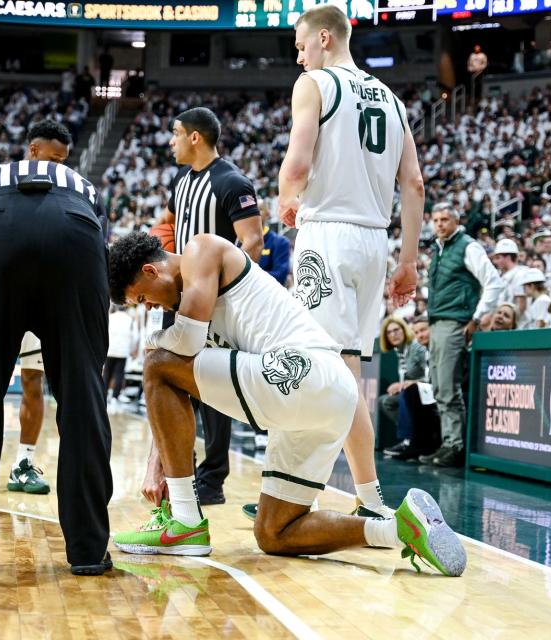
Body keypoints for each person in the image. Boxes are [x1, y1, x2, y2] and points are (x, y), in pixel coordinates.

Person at [108, 232, 466, 577]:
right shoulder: (192, 300)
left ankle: (185, 520)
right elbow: (181, 378)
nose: (150, 306)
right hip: (328, 396)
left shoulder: (201, 249)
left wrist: (152, 342)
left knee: (157, 365)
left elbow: (183, 343)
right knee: (275, 532)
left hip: (301, 370)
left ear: (150, 271)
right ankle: (399, 529)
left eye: (142, 298)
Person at [278, 4, 423, 516]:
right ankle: (361, 495)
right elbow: (415, 184)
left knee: (317, 367)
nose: (298, 58)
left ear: (323, 38)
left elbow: (297, 164)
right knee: (347, 371)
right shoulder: (391, 98)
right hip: (374, 243)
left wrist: (284, 198)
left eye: (299, 46)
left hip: (328, 235)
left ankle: (309, 492)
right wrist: (407, 260)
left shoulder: (315, 84)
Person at [0, 159, 113, 576]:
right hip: (77, 230)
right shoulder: (82, 184)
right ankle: (88, 548)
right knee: (83, 392)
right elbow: (97, 237)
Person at [0, 120, 79, 497]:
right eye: (53, 157)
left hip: (42, 290)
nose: (59, 166)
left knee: (33, 382)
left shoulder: (67, 186)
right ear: (33, 151)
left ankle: (23, 461)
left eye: (64, 160)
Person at [154, 106, 264, 505]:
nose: (171, 141)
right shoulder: (181, 182)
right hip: (178, 294)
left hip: (215, 300)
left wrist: (216, 288)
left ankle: (213, 479)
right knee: (177, 379)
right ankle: (181, 468)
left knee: (213, 387)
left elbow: (253, 242)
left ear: (195, 137)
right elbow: (166, 225)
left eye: (176, 133)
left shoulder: (231, 181)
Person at [420, 203, 504, 467]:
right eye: (436, 220)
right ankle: (448, 442)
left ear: (456, 221)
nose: (440, 224)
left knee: (447, 386)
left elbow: (493, 282)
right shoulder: (439, 248)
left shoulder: (468, 246)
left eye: (445, 219)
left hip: (455, 322)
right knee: (439, 385)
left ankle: (455, 445)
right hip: (438, 322)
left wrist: (477, 318)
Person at [378, 318, 435, 461]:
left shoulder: (417, 348)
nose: (393, 334)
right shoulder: (400, 351)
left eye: (396, 330)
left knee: (404, 396)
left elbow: (429, 375)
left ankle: (409, 440)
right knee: (385, 401)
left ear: (404, 330)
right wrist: (400, 384)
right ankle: (408, 438)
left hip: (425, 390)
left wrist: (409, 383)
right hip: (415, 390)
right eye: (389, 332)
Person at [104, 304, 138, 413]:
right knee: (118, 374)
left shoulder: (111, 317)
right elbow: (135, 336)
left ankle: (103, 395)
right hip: (122, 351)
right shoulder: (130, 319)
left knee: (107, 373)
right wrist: (132, 349)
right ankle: (114, 397)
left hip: (110, 349)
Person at [258, 204, 291, 286]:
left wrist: (248, 276)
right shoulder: (238, 243)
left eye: (259, 209)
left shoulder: (281, 242)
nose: (254, 213)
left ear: (268, 214)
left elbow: (280, 276)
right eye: (251, 209)